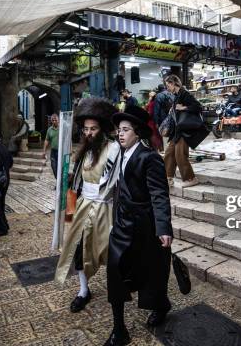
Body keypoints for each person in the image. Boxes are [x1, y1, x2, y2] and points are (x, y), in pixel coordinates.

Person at [105, 105, 173, 346]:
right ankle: (119, 329)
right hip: (122, 225)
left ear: (138, 132)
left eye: (126, 130)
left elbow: (159, 194)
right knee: (114, 270)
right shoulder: (119, 153)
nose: (120, 134)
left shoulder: (149, 157)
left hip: (145, 226)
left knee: (152, 272)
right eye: (118, 130)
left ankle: (161, 305)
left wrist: (163, 227)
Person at [55, 97, 120, 313]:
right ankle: (84, 291)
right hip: (83, 207)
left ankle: (117, 291)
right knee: (78, 250)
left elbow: (115, 182)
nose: (88, 133)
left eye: (93, 129)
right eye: (85, 129)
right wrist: (69, 214)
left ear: (102, 129)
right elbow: (76, 185)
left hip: (107, 209)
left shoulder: (113, 149)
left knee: (110, 252)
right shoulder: (84, 152)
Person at [163, 75, 208, 188]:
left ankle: (190, 178)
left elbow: (198, 106)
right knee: (169, 154)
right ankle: (168, 178)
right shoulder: (177, 96)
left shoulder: (184, 94)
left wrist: (183, 108)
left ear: (174, 83)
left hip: (185, 130)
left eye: (168, 85)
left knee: (180, 155)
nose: (167, 88)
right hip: (178, 131)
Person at [43, 114, 59, 178]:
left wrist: (70, 149)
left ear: (58, 120)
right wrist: (44, 151)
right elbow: (46, 140)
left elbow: (68, 139)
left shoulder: (62, 128)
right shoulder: (49, 130)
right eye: (53, 120)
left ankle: (59, 184)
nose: (54, 121)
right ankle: (58, 181)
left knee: (60, 168)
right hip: (53, 152)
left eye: (55, 120)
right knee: (53, 167)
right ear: (51, 121)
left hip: (61, 152)